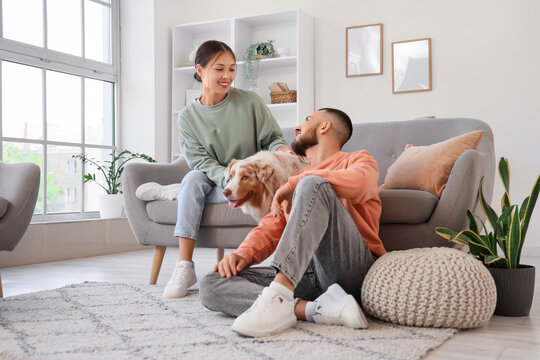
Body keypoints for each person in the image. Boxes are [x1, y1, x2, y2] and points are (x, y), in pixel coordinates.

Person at [199, 108, 386, 337]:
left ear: (324, 127)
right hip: (305, 277)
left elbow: (362, 184)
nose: (297, 128)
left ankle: (279, 295)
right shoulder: (297, 181)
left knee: (312, 184)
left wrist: (294, 183)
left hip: (351, 271)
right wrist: (242, 255)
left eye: (307, 121)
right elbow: (272, 224)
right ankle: (314, 309)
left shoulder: (357, 160)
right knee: (212, 282)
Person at [142, 40, 289, 299]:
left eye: (232, 69)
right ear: (200, 70)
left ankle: (177, 192)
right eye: (219, 69)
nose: (227, 76)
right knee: (193, 178)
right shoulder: (187, 117)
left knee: (190, 186)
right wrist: (228, 178)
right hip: (215, 178)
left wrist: (283, 151)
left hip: (249, 177)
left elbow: (273, 139)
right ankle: (185, 266)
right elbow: (201, 161)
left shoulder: (250, 102)